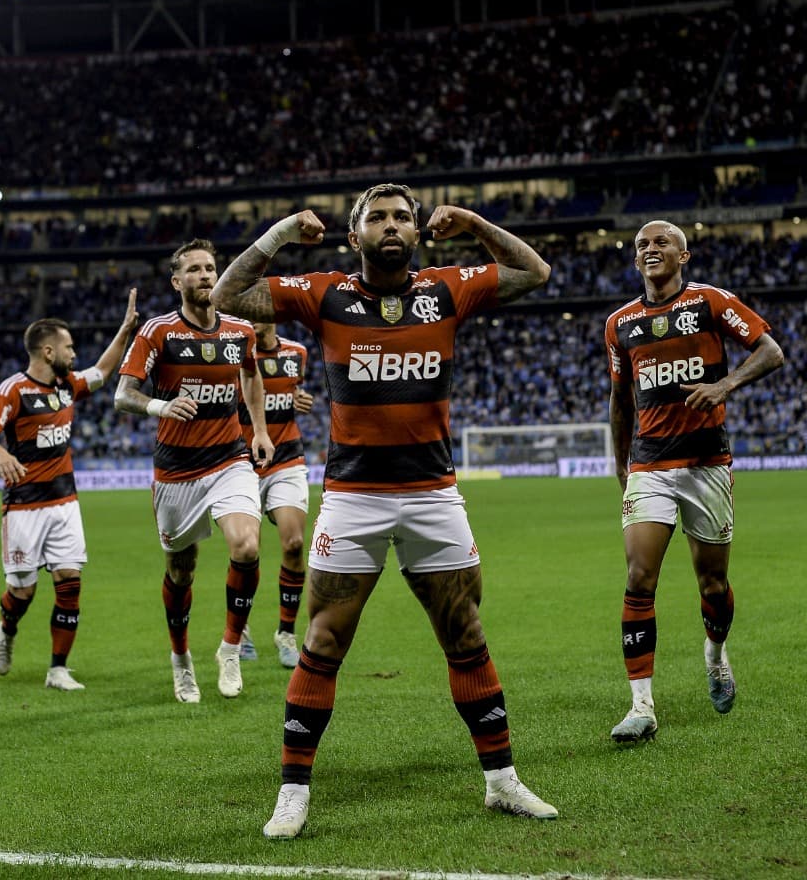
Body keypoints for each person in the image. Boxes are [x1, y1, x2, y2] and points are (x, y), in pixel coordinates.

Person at [211, 183, 558, 840]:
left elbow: (534, 272)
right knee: (323, 640)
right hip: (353, 498)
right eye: (378, 218)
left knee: (466, 635)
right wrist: (283, 229)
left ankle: (501, 781)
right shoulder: (326, 295)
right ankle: (292, 792)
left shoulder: (448, 290)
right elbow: (227, 297)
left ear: (420, 232)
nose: (392, 225)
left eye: (404, 217)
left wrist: (477, 222)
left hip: (434, 495)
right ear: (355, 236)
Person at [604, 219, 784, 743]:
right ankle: (641, 706)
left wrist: (724, 384)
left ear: (684, 256)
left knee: (712, 584)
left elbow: (771, 351)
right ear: (636, 261)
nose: (650, 249)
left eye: (662, 242)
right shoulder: (620, 323)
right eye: (642, 245)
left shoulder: (709, 301)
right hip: (649, 466)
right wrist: (621, 465)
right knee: (639, 578)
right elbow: (620, 401)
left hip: (707, 464)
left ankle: (716, 653)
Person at [114, 240, 275, 704]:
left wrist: (259, 430)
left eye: (210, 268)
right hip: (175, 474)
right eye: (195, 270)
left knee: (246, 545)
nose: (206, 275)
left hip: (229, 459)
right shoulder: (158, 331)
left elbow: (250, 373)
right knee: (181, 573)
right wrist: (162, 406)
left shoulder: (240, 330)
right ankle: (181, 660)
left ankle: (229, 647)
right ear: (176, 281)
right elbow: (124, 394)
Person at [0, 291, 139, 692]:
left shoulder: (68, 385)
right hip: (24, 507)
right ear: (47, 351)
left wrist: (126, 330)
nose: (74, 353)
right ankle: (6, 628)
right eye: (68, 347)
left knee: (69, 582)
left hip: (64, 502)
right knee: (23, 590)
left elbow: (102, 371)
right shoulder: (14, 389)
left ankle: (58, 668)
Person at [237, 321, 316, 669]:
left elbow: (296, 392)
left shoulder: (297, 353)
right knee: (246, 549)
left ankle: (285, 632)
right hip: (243, 461)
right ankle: (239, 629)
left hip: (287, 456)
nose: (253, 319)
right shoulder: (234, 354)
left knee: (294, 544)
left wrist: (301, 400)